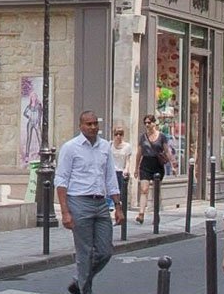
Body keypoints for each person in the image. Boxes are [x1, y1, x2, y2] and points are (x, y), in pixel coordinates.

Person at [55, 109, 123, 294]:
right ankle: (85, 291)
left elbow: (110, 178)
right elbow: (61, 181)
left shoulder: (104, 147)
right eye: (89, 124)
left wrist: (118, 206)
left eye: (95, 124)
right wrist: (65, 212)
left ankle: (79, 282)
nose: (93, 127)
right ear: (80, 126)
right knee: (85, 254)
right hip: (79, 202)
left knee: (105, 251)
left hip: (101, 203)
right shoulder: (70, 147)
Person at [133, 113, 173, 222]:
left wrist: (173, 164)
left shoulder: (162, 136)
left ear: (154, 123)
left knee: (156, 191)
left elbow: (167, 151)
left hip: (157, 164)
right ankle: (141, 214)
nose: (147, 125)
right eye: (145, 123)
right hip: (145, 163)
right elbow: (139, 153)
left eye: (149, 122)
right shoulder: (143, 137)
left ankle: (156, 213)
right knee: (144, 190)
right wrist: (136, 168)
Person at [111, 125, 133, 203]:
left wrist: (126, 169)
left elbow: (128, 160)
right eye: (116, 134)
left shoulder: (127, 146)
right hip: (112, 172)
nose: (118, 136)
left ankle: (121, 208)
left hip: (121, 172)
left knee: (121, 193)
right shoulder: (110, 145)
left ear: (123, 135)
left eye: (120, 134)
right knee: (112, 192)